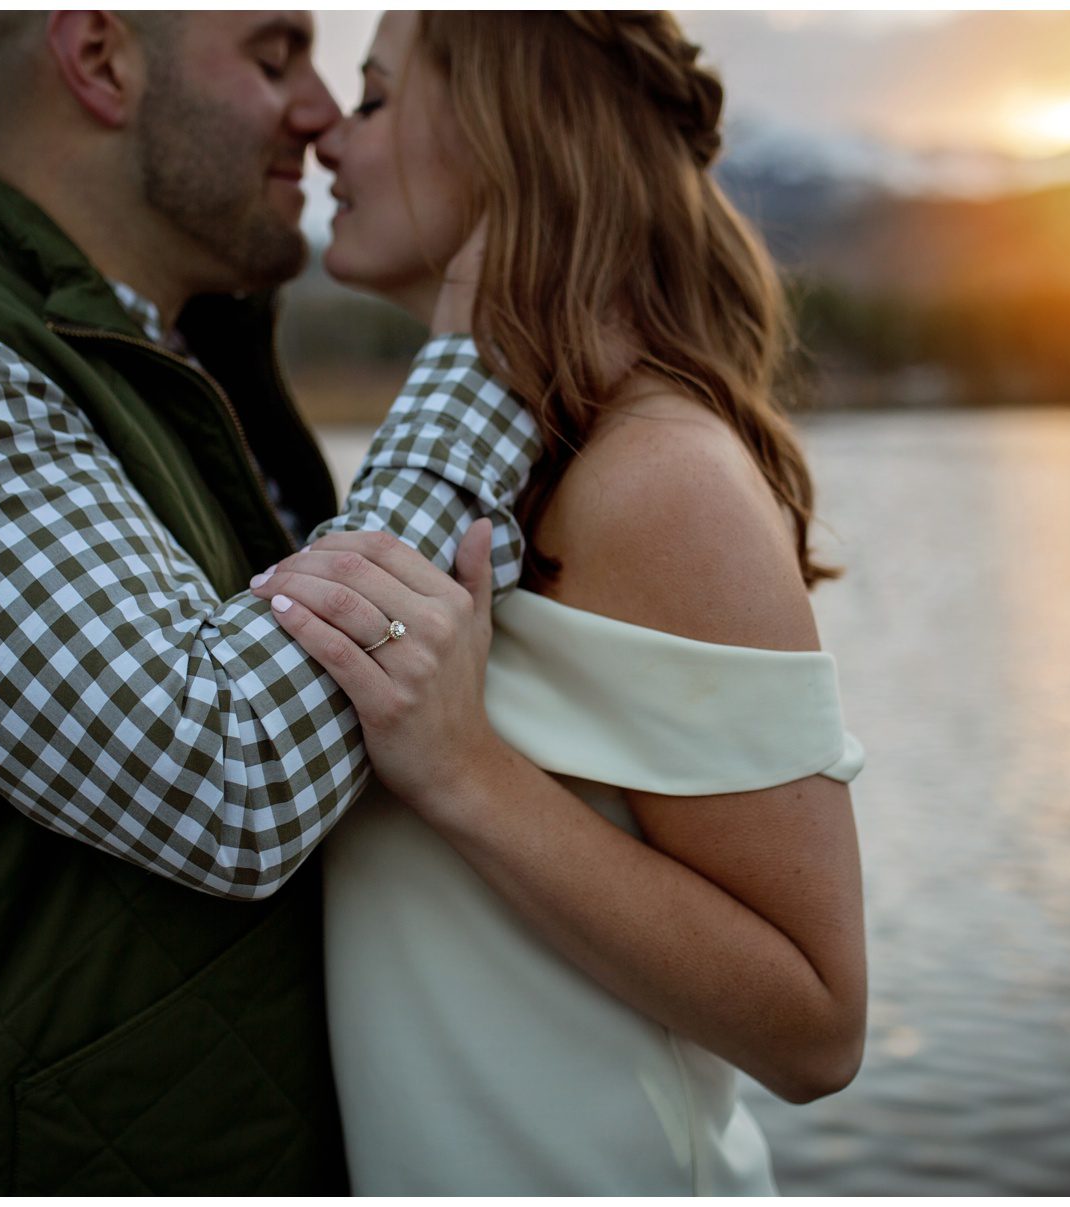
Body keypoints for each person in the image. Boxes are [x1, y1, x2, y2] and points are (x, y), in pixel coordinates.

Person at [0, 10, 539, 1195]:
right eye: (274, 57)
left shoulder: (190, 362)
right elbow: (230, 777)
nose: (323, 112)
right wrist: (490, 359)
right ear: (100, 60)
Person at [249, 11, 868, 1195]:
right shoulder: (502, 465)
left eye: (375, 98)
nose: (329, 130)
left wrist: (466, 770)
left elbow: (818, 1025)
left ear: (505, 133)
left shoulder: (656, 478)